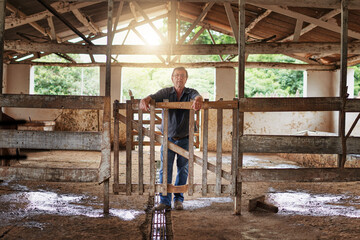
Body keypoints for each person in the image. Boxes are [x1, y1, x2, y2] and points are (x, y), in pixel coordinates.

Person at [140, 67, 203, 211]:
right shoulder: (166, 92)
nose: (179, 78)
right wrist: (145, 100)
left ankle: (178, 200)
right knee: (165, 170)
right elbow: (151, 97)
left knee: (183, 169)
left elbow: (198, 96)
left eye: (182, 76)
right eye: (176, 75)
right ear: (172, 78)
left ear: (186, 78)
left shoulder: (190, 92)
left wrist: (198, 100)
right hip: (168, 139)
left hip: (185, 138)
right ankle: (165, 201)